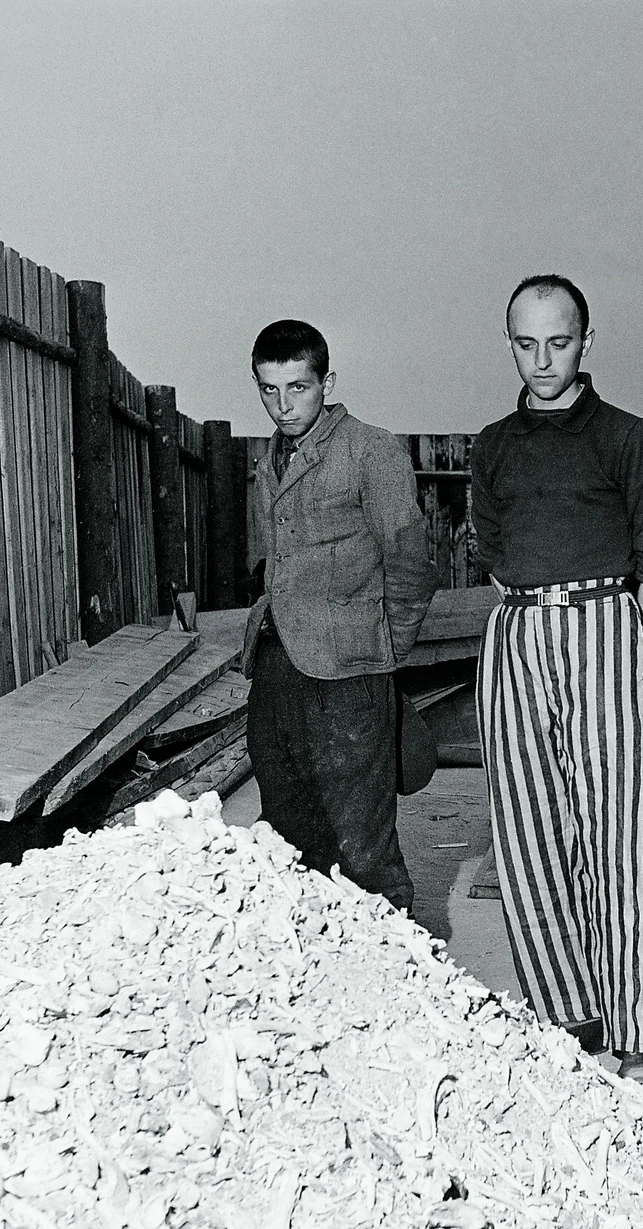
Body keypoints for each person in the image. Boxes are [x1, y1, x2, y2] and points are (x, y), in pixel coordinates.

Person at [470, 274, 643, 1089]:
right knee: (528, 830)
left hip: (608, 624)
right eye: (526, 344)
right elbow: (493, 551)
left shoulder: (628, 437)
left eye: (558, 342)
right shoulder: (492, 443)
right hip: (519, 630)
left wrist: (618, 643)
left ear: (585, 341)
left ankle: (642, 1029)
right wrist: (537, 620)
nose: (543, 360)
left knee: (621, 833)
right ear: (510, 344)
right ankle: (566, 1008)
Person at [242, 320, 439, 912]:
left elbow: (410, 563)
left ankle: (396, 971)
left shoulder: (370, 449)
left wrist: (380, 651)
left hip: (349, 675)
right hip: (277, 669)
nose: (283, 404)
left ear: (327, 381)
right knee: (288, 833)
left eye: (298, 387)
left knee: (364, 848)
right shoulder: (272, 455)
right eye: (268, 390)